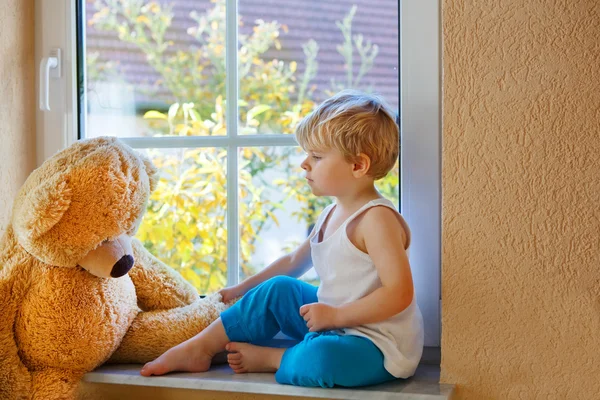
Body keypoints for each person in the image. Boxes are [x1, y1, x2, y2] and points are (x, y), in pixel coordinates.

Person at [140, 90, 424, 388]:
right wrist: (242, 288)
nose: (304, 163)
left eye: (316, 156)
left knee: (322, 359)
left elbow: (399, 293)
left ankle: (274, 358)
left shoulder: (377, 219)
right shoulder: (331, 212)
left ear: (358, 166)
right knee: (278, 290)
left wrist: (336, 316)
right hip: (332, 323)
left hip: (374, 345)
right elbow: (292, 263)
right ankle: (199, 347)